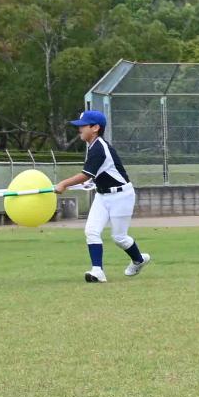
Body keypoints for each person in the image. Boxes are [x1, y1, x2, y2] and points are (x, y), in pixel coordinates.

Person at [50, 110, 148, 283]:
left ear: (95, 128)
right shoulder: (91, 146)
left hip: (122, 195)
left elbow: (86, 174)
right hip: (102, 195)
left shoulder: (98, 148)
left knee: (119, 238)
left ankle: (139, 260)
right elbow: (95, 174)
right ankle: (97, 271)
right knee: (91, 231)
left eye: (83, 126)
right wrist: (90, 181)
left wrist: (64, 184)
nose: (79, 129)